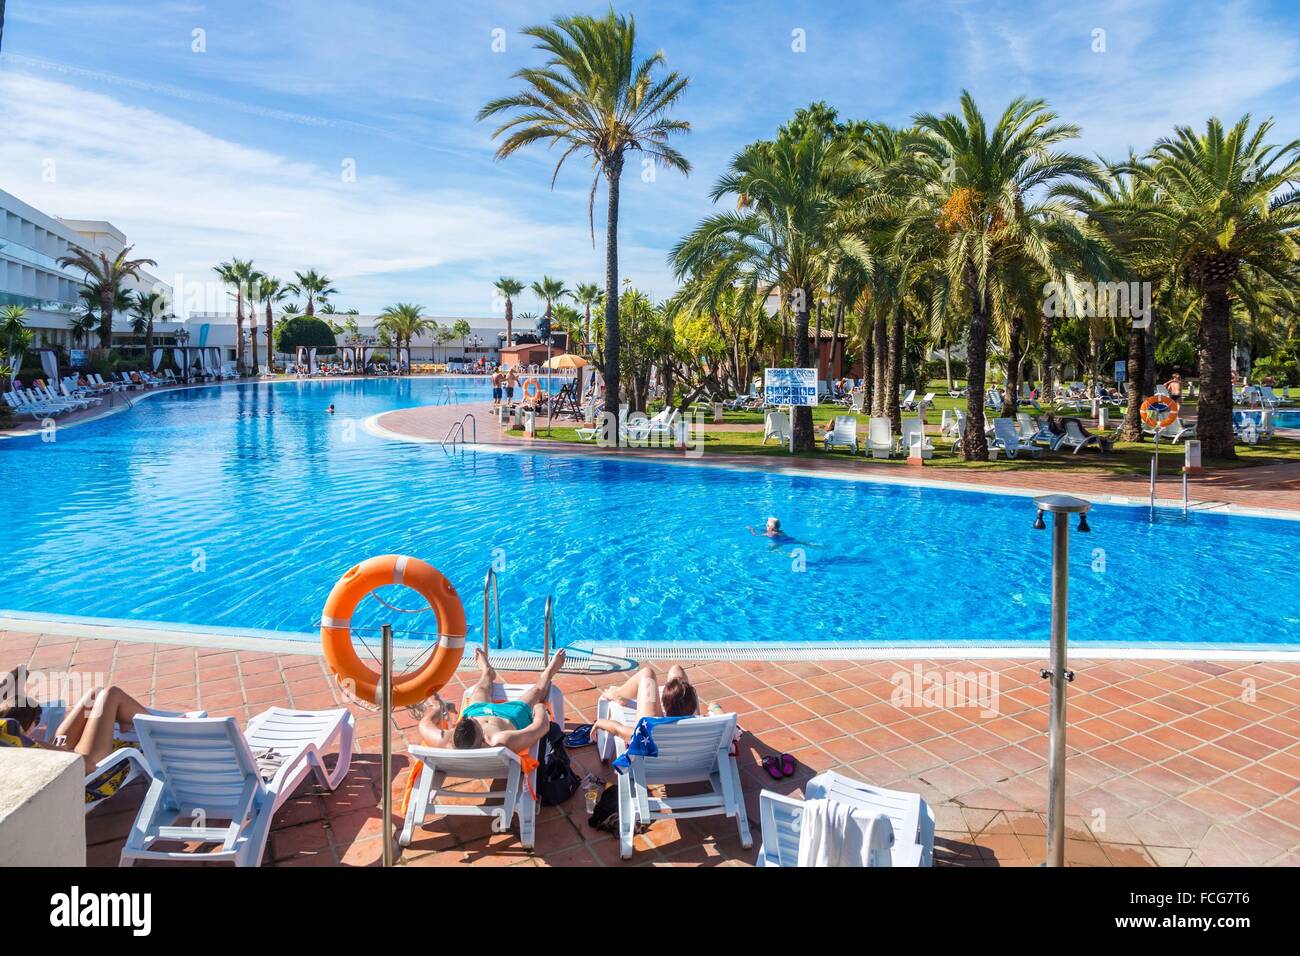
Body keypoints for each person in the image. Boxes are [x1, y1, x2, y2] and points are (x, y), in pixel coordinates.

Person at [0, 667, 148, 773]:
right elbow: (88, 765)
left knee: (95, 694)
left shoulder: (10, 738)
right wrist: (62, 751)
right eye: (37, 721)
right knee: (111, 694)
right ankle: (161, 728)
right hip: (86, 773)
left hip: (60, 758)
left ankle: (126, 719)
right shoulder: (27, 745)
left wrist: (57, 749)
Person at [418, 647, 566, 752]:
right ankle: (548, 673)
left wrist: (441, 709)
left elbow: (425, 723)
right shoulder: (500, 741)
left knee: (480, 689)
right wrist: (540, 710)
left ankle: (487, 673)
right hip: (511, 716)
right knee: (537, 691)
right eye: (477, 725)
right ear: (482, 737)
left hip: (477, 710)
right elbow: (540, 728)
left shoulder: (444, 740)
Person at [589, 664, 699, 745]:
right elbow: (617, 728)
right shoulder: (707, 725)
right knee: (676, 669)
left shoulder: (648, 731)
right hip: (690, 762)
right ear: (693, 706)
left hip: (653, 767)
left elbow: (617, 729)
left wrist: (599, 723)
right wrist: (715, 707)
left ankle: (618, 694)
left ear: (664, 705)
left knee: (647, 673)